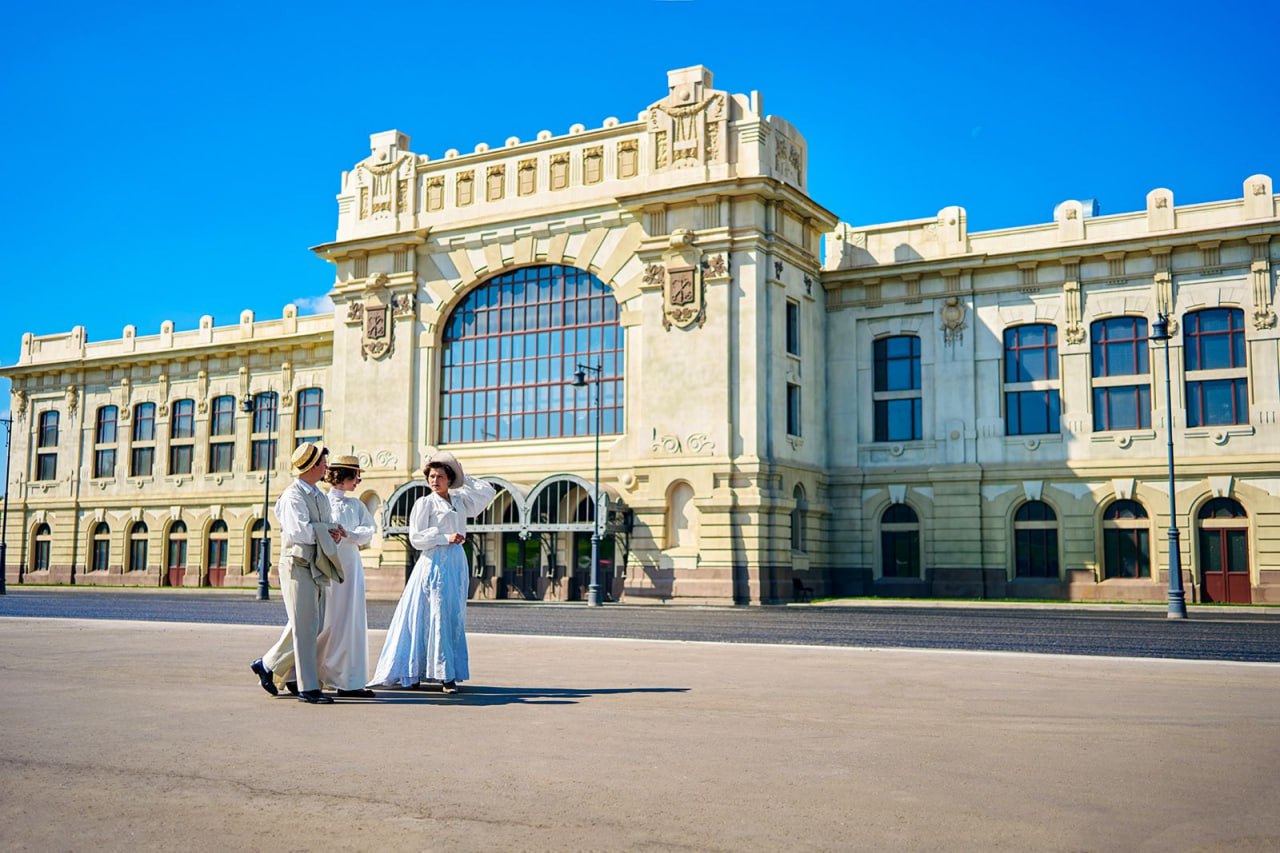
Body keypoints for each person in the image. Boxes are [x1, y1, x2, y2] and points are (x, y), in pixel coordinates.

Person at [370, 451, 495, 692]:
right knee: (432, 614)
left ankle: (447, 671)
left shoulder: (460, 501)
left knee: (451, 616)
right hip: (434, 562)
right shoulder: (424, 503)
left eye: (439, 476)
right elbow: (416, 538)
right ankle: (432, 674)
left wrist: (463, 477)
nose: (434, 480)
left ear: (449, 479)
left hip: (456, 562)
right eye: (431, 476)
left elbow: (487, 493)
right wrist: (444, 537)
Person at [250, 442, 346, 705]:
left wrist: (334, 533)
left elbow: (318, 529)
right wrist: (327, 529)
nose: (327, 468)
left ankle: (270, 666)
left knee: (313, 625)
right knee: (305, 627)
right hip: (297, 566)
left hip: (316, 565)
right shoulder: (292, 497)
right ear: (313, 466)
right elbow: (299, 533)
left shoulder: (319, 496)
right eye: (324, 463)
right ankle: (307, 687)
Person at [315, 456, 377, 698]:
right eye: (355, 476)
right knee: (328, 620)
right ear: (342, 476)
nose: (359, 481)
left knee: (351, 620)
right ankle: (317, 674)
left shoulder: (356, 505)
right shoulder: (322, 501)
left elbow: (368, 531)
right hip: (328, 564)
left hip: (351, 567)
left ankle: (349, 680)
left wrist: (347, 534)